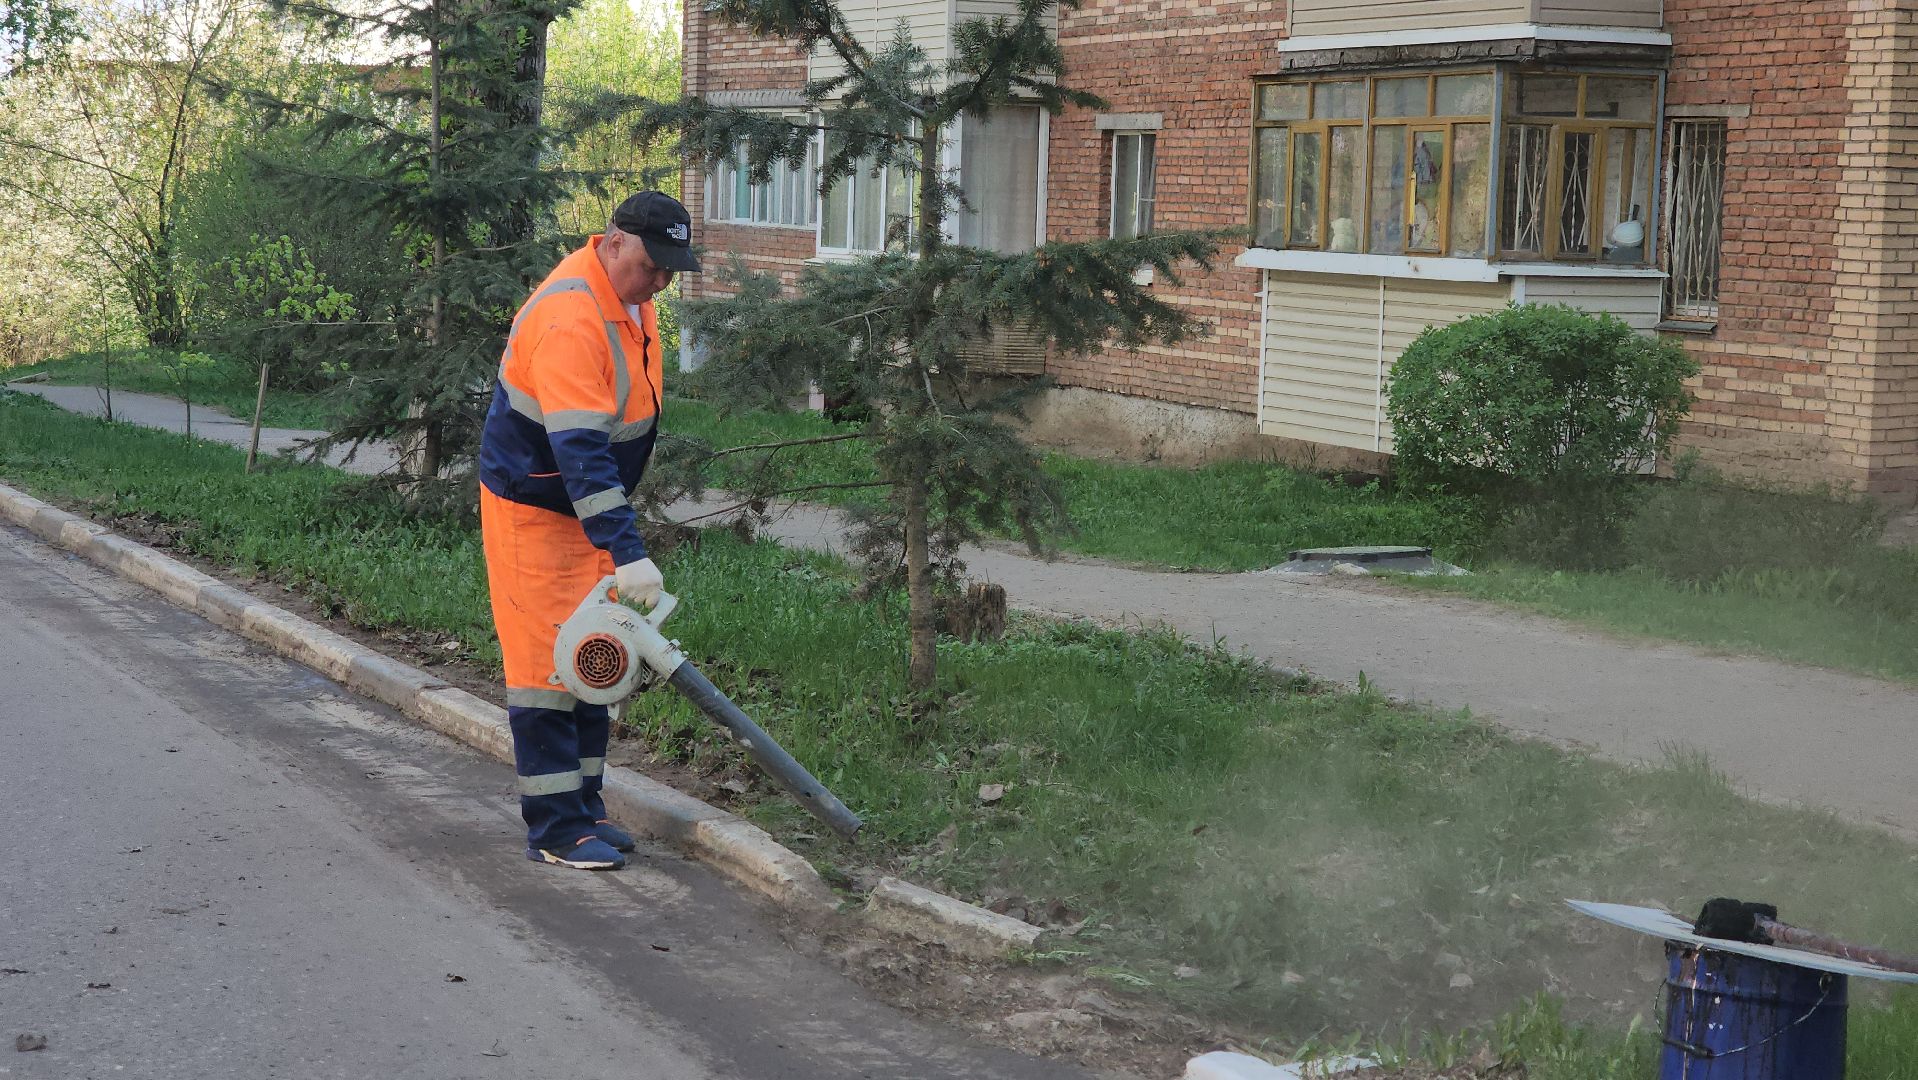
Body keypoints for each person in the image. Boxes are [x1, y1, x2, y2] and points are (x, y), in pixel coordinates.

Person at [477, 191, 700, 870]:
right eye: (651, 264)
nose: (660, 279)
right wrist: (626, 550)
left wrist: (613, 540)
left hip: (583, 510)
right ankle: (555, 828)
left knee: (598, 658)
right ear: (611, 243)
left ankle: (587, 808)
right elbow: (582, 452)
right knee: (548, 669)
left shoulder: (632, 303)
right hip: (538, 510)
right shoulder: (573, 316)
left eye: (670, 268)